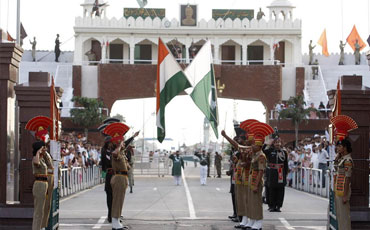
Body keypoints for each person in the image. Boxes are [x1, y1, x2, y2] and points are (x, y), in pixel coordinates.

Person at [25, 116, 53, 230]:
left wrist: (44, 152)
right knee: (38, 210)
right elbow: (36, 161)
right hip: (39, 184)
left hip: (45, 184)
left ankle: (41, 227)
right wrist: (38, 151)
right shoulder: (35, 159)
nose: (44, 149)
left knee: (44, 208)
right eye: (42, 148)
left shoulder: (43, 158)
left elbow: (50, 165)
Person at [244, 122, 273, 230]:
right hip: (251, 178)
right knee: (251, 201)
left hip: (256, 179)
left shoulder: (261, 156)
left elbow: (261, 171)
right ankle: (252, 220)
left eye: (254, 145)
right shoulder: (255, 154)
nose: (252, 146)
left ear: (259, 146)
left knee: (256, 202)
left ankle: (259, 222)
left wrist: (256, 185)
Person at [331, 115, 358, 230]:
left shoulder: (347, 160)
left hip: (343, 190)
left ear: (345, 147)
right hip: (339, 188)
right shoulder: (341, 158)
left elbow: (347, 178)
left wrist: (346, 195)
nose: (338, 148)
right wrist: (337, 157)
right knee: (339, 216)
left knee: (344, 217)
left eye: (340, 146)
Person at [103, 122, 132, 230]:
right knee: (117, 201)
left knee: (119, 201)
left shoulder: (122, 153)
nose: (124, 144)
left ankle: (117, 222)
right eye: (122, 142)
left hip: (122, 178)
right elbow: (115, 154)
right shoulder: (116, 152)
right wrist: (120, 145)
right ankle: (115, 224)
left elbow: (127, 167)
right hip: (119, 178)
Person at [263, 137, 288, 212]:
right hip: (271, 172)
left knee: (280, 189)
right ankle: (271, 205)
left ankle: (278, 206)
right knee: (271, 188)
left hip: (280, 172)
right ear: (273, 144)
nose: (277, 144)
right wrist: (266, 144)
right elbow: (262, 152)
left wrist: (285, 173)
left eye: (279, 142)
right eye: (276, 142)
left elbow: (285, 164)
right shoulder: (270, 151)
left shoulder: (284, 152)